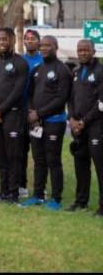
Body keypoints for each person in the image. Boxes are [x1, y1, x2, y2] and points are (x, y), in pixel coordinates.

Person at [21, 35, 72, 211]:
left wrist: (40, 113)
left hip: (54, 122)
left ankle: (56, 198)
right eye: (42, 45)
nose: (43, 48)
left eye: (47, 45)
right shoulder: (37, 69)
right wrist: (31, 113)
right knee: (39, 159)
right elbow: (29, 95)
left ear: (55, 47)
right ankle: (38, 195)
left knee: (53, 160)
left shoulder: (63, 70)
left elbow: (61, 98)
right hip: (37, 123)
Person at [0, 28, 28, 203]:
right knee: (0, 157)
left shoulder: (20, 62)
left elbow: (18, 91)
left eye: (5, 39)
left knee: (13, 156)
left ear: (12, 40)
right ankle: (3, 192)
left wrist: (1, 110)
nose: (1, 42)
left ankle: (13, 193)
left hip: (12, 115)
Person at [67, 39, 103, 217]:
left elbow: (101, 103)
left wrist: (84, 122)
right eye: (80, 50)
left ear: (93, 51)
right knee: (80, 164)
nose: (82, 53)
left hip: (96, 126)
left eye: (86, 50)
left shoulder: (100, 71)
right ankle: (81, 201)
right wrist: (72, 119)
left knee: (99, 165)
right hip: (78, 126)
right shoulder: (76, 71)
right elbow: (71, 99)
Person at [20, 29, 43, 197]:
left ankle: (40, 188)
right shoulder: (19, 60)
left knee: (39, 154)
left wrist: (37, 112)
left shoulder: (43, 61)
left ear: (39, 42)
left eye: (33, 39)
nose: (29, 41)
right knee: (20, 152)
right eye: (26, 39)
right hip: (19, 112)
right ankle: (22, 186)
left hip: (38, 114)